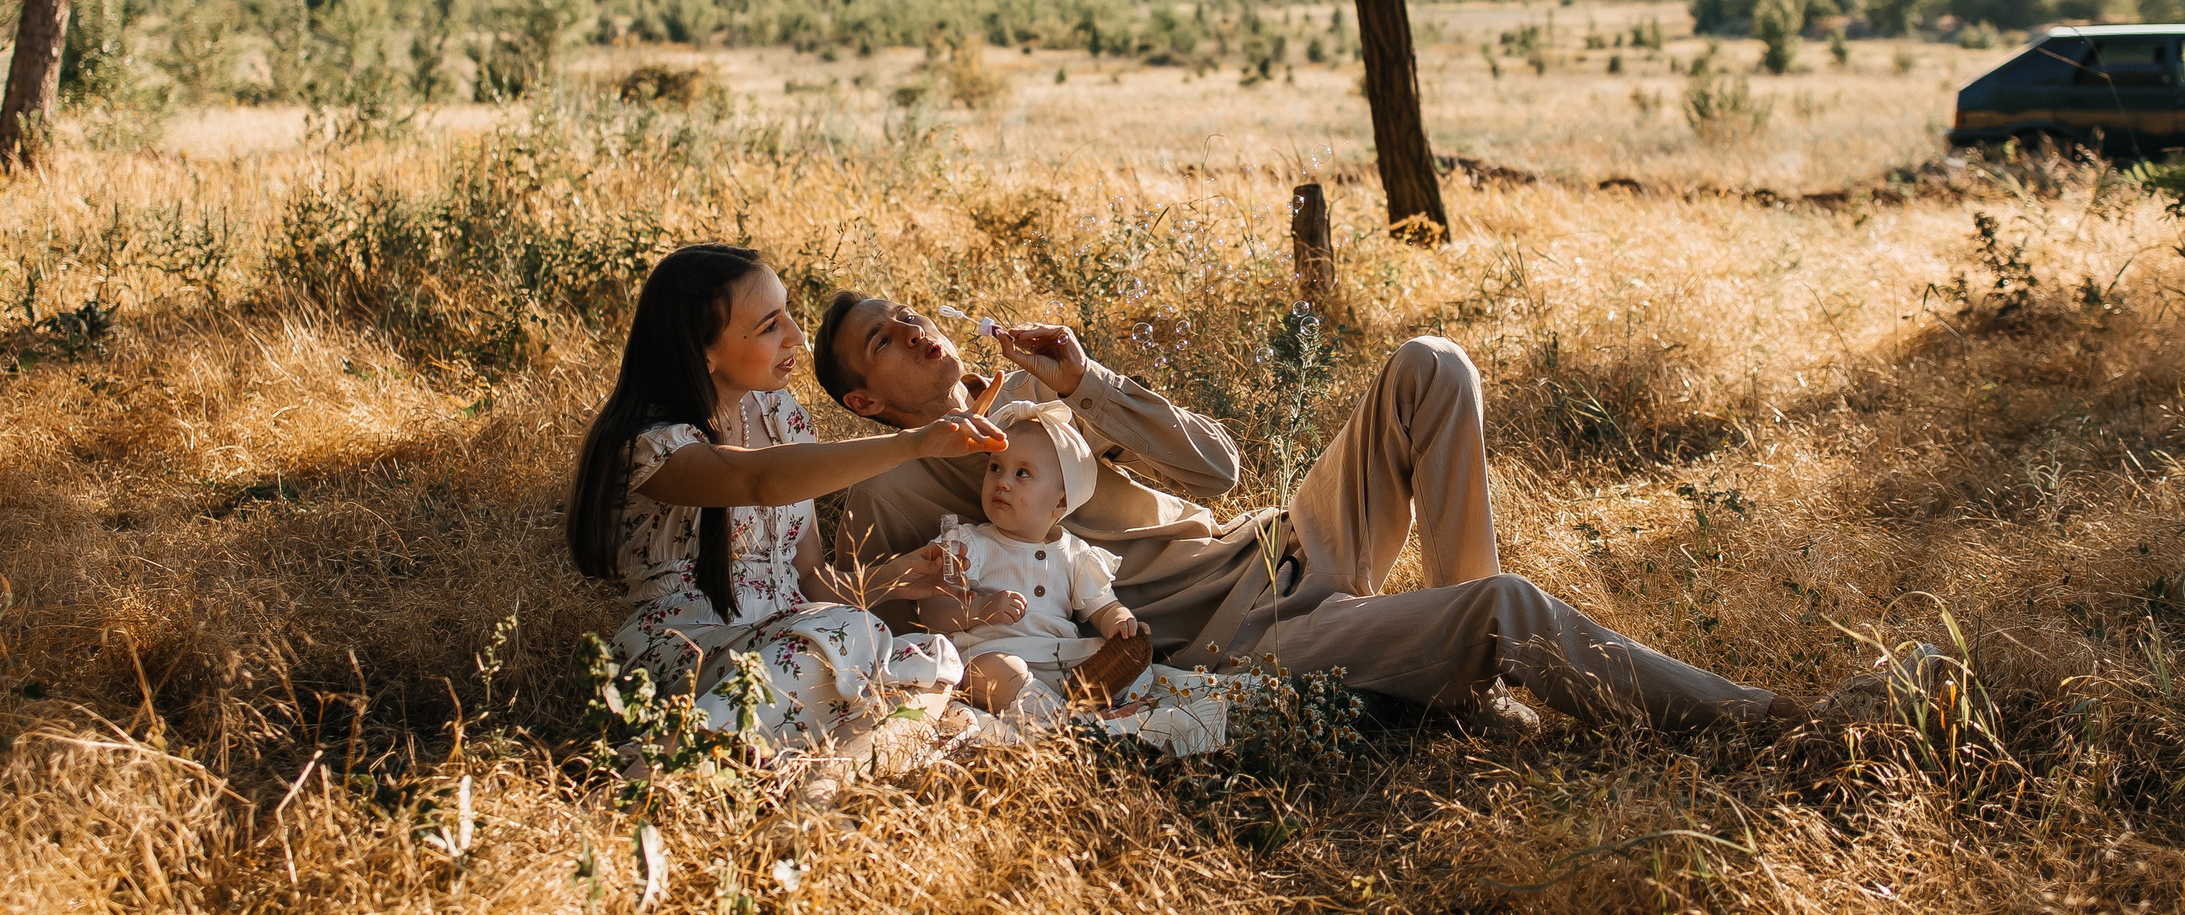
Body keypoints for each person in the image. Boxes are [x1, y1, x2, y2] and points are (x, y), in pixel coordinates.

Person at [812, 294, 1810, 733]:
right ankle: (1778, 727)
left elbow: (1217, 468)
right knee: (1505, 606)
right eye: (882, 341)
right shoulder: (872, 487)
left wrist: (1091, 383)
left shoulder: (1038, 403)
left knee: (1430, 364)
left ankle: (1462, 671)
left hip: (1279, 541)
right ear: (862, 399)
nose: (910, 324)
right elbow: (859, 614)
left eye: (905, 313)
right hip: (1243, 636)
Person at [565, 245, 1009, 750]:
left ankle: (807, 775)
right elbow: (758, 481)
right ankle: (667, 766)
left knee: (927, 659)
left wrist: (901, 576)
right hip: (685, 652)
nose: (796, 335)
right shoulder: (650, 443)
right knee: (847, 645)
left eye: (788, 313)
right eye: (770, 326)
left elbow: (808, 580)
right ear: (703, 351)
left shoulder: (782, 416)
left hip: (793, 634)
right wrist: (917, 442)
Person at [919, 398, 1149, 714]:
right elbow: (932, 612)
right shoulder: (970, 543)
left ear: (1060, 501)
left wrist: (1120, 623)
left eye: (1022, 473)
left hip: (1063, 662)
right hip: (996, 654)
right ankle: (1074, 720)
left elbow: (1103, 608)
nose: (1002, 482)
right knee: (992, 674)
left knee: (1136, 657)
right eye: (996, 467)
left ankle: (1075, 706)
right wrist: (981, 609)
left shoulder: (1076, 554)